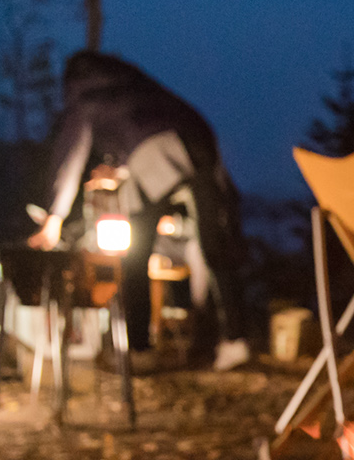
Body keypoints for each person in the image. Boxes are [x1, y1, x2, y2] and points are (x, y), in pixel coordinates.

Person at [31, 51, 250, 371]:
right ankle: (230, 340)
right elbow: (153, 128)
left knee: (136, 252)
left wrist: (54, 217)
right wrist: (120, 170)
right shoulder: (138, 86)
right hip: (199, 141)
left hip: (154, 155)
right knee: (211, 246)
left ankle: (138, 346)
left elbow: (71, 155)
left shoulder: (87, 97)